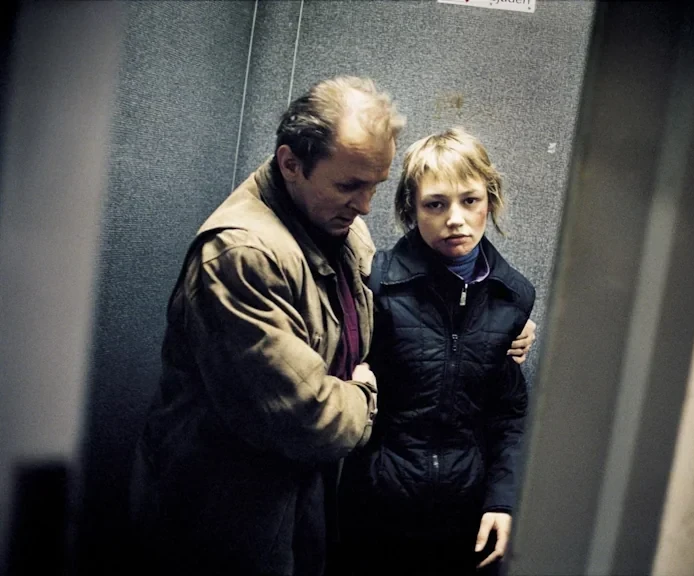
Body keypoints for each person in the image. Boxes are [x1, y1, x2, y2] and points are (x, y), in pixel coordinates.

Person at [129, 77, 534, 576]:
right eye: (349, 186)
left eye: (374, 186)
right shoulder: (242, 254)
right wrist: (364, 391)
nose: (365, 206)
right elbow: (307, 418)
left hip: (311, 499)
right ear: (291, 164)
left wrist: (495, 326)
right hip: (229, 509)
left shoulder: (342, 227)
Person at [339, 128, 536, 575]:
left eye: (470, 200)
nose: (455, 219)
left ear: (490, 200)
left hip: (464, 521)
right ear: (411, 209)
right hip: (375, 513)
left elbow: (509, 415)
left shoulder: (513, 296)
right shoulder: (376, 282)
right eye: (435, 204)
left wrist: (503, 500)